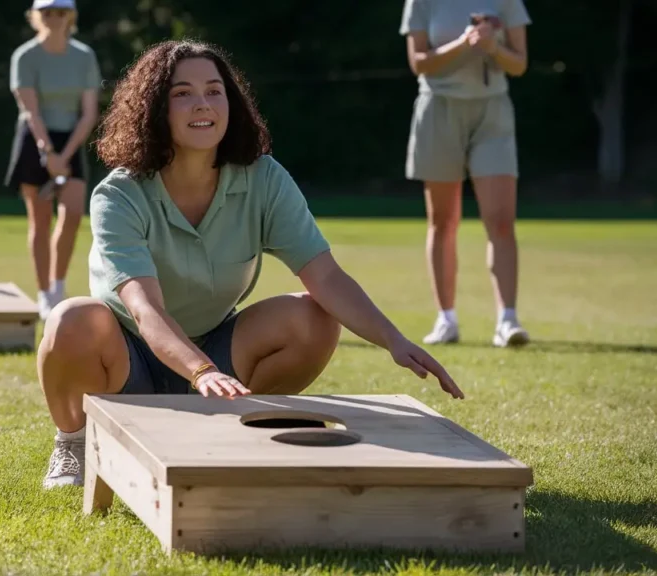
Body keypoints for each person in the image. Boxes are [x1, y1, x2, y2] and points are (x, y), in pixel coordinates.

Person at [34, 39, 465, 490]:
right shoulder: (119, 194)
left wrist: (393, 340)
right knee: (71, 319)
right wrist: (201, 371)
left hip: (218, 348)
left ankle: (222, 426)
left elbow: (325, 275)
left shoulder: (264, 178)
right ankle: (75, 442)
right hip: (129, 352)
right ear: (154, 108)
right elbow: (146, 310)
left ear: (231, 101)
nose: (202, 104)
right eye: (182, 93)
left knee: (314, 318)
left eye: (214, 90)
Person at [399, 0, 532, 347]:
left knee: (501, 220)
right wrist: (463, 44)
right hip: (439, 109)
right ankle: (446, 319)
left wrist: (493, 47)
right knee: (443, 221)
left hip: (493, 113)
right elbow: (419, 62)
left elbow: (519, 64)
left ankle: (507, 319)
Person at [4, 0, 101, 320]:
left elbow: (88, 113)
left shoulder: (84, 56)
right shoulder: (25, 56)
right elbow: (30, 111)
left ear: (70, 17)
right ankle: (44, 293)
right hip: (35, 139)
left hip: (71, 139)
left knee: (72, 214)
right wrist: (47, 152)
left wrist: (65, 155)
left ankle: (58, 287)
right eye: (47, 12)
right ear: (36, 17)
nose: (54, 18)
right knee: (40, 220)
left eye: (60, 12)